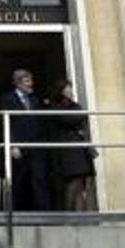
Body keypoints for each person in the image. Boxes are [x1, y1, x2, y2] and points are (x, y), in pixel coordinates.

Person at [0, 68, 51, 211]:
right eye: (27, 81)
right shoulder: (8, 98)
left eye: (31, 80)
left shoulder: (34, 99)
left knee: (39, 179)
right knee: (19, 180)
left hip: (37, 145)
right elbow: (6, 123)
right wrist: (12, 145)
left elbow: (40, 122)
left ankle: (44, 212)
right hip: (19, 145)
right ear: (17, 83)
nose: (31, 84)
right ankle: (14, 211)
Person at [46, 79, 96, 212]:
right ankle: (69, 214)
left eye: (70, 88)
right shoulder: (54, 105)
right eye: (67, 88)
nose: (70, 91)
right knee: (73, 182)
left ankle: (80, 214)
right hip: (67, 150)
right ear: (60, 90)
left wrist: (78, 116)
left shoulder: (74, 105)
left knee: (81, 182)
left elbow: (80, 118)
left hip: (80, 148)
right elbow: (67, 119)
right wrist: (79, 116)